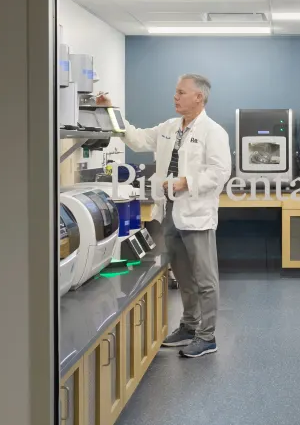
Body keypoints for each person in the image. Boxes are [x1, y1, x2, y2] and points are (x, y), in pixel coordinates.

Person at [97, 74, 231, 358]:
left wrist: (187, 182)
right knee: (182, 276)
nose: (175, 97)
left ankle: (207, 337)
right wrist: (110, 110)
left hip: (196, 215)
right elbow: (135, 138)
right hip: (168, 211)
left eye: (181, 92)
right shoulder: (169, 128)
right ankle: (189, 326)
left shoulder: (213, 131)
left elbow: (220, 172)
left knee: (205, 279)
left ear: (199, 97)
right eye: (175, 92)